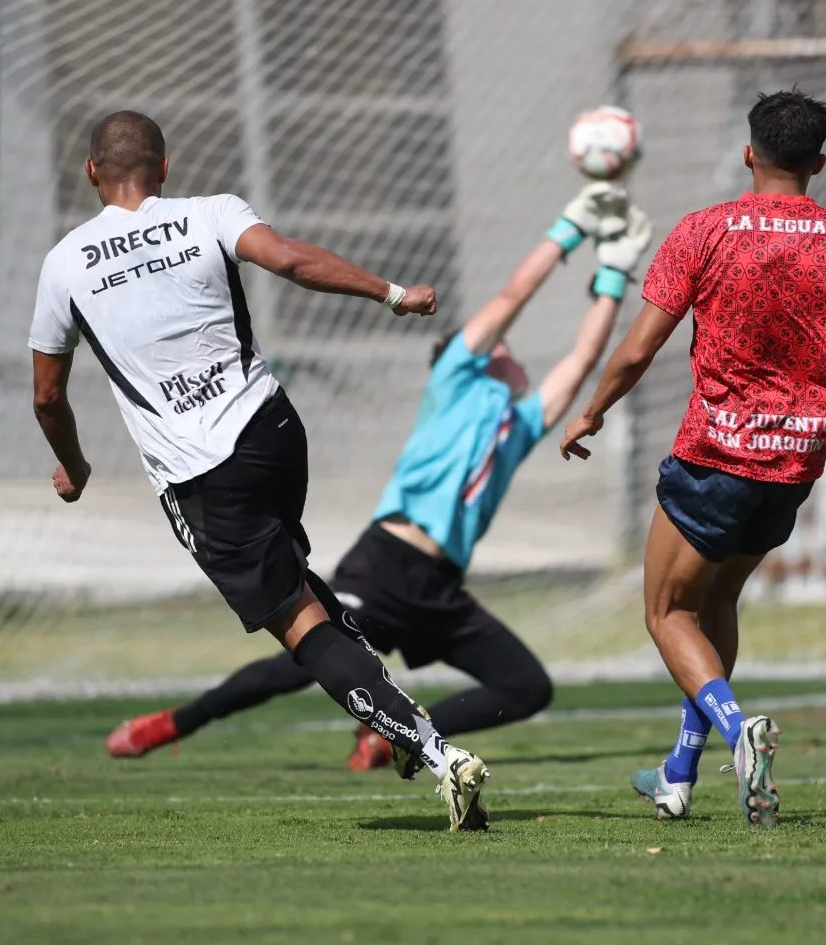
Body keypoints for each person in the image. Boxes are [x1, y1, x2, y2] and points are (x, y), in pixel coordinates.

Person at [30, 110, 496, 831]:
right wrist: (391, 293)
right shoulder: (211, 214)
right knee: (299, 586)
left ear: (91, 171)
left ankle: (438, 754)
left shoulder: (65, 263)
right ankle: (400, 718)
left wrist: (76, 467)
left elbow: (47, 396)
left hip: (201, 475)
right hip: (272, 432)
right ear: (165, 166)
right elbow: (288, 260)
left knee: (299, 624)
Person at [105, 179, 654, 769]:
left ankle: (399, 735)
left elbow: (582, 361)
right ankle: (178, 721)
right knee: (301, 657)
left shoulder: (516, 425)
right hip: (387, 565)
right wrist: (568, 231)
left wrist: (615, 274)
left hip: (440, 586)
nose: (508, 349)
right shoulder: (455, 379)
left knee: (527, 687)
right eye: (498, 346)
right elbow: (513, 295)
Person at [560, 89, 826, 827]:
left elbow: (638, 348)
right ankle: (678, 774)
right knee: (717, 604)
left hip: (715, 456)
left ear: (749, 153)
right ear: (818, 163)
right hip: (793, 462)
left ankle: (740, 732)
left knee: (668, 612)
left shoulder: (704, 230)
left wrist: (592, 410)